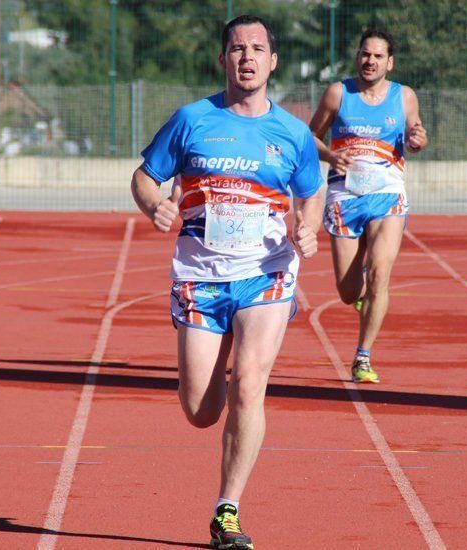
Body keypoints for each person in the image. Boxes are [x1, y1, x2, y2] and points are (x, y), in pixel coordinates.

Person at [130, 14, 323, 549]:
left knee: (250, 387)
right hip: (201, 275)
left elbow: (312, 191)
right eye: (237, 48)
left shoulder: (292, 133)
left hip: (266, 273)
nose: (247, 57)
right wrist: (155, 208)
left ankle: (227, 510)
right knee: (200, 411)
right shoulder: (192, 120)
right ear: (224, 60)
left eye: (257, 48)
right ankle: (218, 371)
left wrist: (308, 227)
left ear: (272, 60)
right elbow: (145, 177)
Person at [308, 29, 428, 383]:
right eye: (365, 54)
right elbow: (309, 137)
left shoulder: (404, 96)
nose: (370, 61)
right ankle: (360, 294)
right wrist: (330, 154)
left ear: (389, 63)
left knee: (380, 274)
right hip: (345, 197)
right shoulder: (337, 93)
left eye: (377, 56)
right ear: (358, 57)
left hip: (387, 194)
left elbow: (416, 134)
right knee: (347, 293)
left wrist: (418, 140)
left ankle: (363, 357)